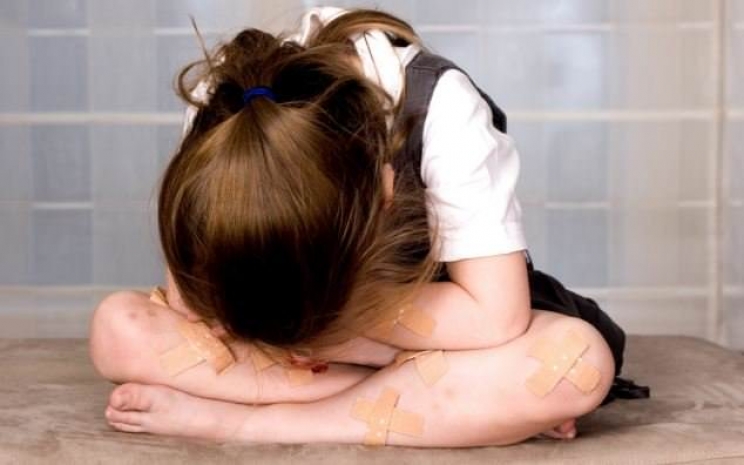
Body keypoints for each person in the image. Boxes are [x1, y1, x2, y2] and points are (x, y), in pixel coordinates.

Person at [89, 7, 619, 446]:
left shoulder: (442, 109)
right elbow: (189, 296)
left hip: (445, 326)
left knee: (575, 362)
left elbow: (495, 317)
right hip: (292, 330)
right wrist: (286, 327)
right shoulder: (224, 110)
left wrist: (347, 337)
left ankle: (259, 420)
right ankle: (435, 404)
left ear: (386, 193)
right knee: (118, 327)